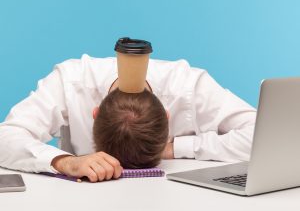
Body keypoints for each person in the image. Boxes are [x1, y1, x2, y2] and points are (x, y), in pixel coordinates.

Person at [0, 54, 256, 182]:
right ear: (95, 113)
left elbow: (264, 135)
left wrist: (177, 148)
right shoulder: (70, 80)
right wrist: (66, 162)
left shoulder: (189, 84)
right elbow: (6, 136)